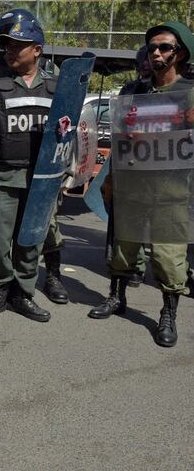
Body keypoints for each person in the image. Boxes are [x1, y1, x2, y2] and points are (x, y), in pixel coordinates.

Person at [91, 21, 194, 348]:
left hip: (172, 189)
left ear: (180, 53)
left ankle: (168, 314)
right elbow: (119, 139)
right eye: (152, 47)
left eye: (165, 47)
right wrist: (109, 180)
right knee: (123, 249)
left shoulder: (189, 94)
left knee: (168, 258)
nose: (157, 53)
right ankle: (116, 297)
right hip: (132, 185)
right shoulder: (130, 93)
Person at [0, 9, 55, 322]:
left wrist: (62, 174)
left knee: (30, 240)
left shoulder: (56, 86)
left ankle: (23, 293)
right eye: (5, 46)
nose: (9, 51)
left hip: (40, 180)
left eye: (16, 45)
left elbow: (67, 132)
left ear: (37, 49)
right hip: (3, 176)